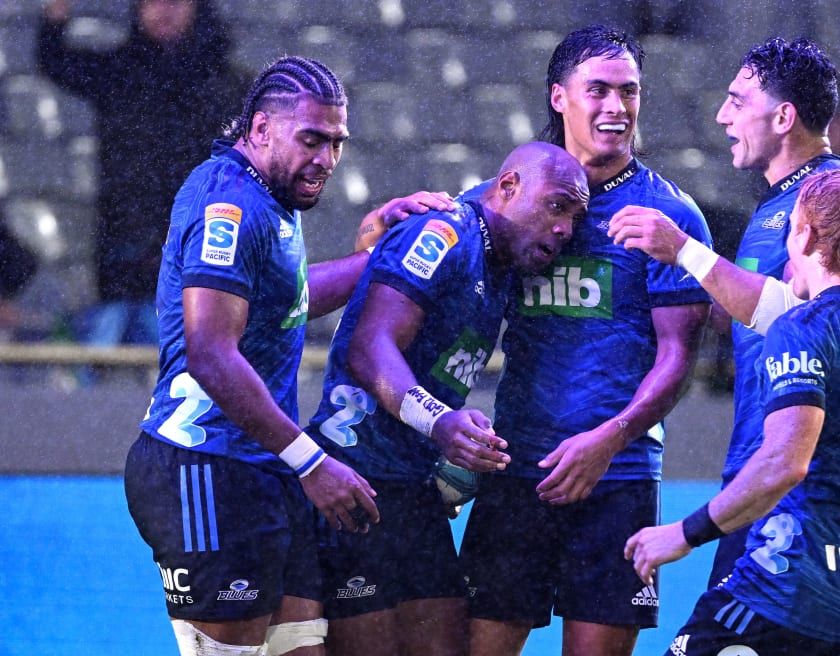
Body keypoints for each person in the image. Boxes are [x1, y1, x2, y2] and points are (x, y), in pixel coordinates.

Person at [624, 169, 840, 655]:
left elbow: (786, 461)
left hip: (779, 595)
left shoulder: (804, 328)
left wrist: (682, 534)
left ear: (803, 234)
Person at [457, 24, 714, 656]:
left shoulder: (671, 218)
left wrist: (611, 439)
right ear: (558, 97)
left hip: (618, 478)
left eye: (629, 92)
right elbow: (428, 304)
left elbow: (678, 356)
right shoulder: (500, 201)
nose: (616, 107)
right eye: (597, 90)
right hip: (518, 470)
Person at [124, 56, 395, 656]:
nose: (325, 158)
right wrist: (312, 464)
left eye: (336, 143)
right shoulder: (231, 204)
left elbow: (290, 300)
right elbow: (211, 355)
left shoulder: (273, 203)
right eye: (311, 140)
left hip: (263, 466)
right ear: (261, 129)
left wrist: (381, 255)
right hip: (205, 467)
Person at [304, 141, 588, 656]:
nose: (565, 227)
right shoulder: (445, 232)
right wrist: (440, 424)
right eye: (557, 205)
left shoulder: (501, 264)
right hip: (354, 481)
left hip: (413, 488)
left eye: (575, 215)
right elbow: (370, 349)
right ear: (508, 186)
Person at [668, 36, 840, 589]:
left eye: (738, 101)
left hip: (796, 481)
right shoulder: (781, 202)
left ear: (783, 116)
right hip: (761, 465)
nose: (723, 116)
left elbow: (812, 320)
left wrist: (682, 250)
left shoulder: (837, 199)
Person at [37, 0, 242, 350]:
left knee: (194, 370)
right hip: (124, 250)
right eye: (152, 2)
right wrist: (55, 16)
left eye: (175, 2)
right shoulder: (118, 74)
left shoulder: (232, 86)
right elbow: (57, 62)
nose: (163, 11)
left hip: (198, 248)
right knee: (109, 371)